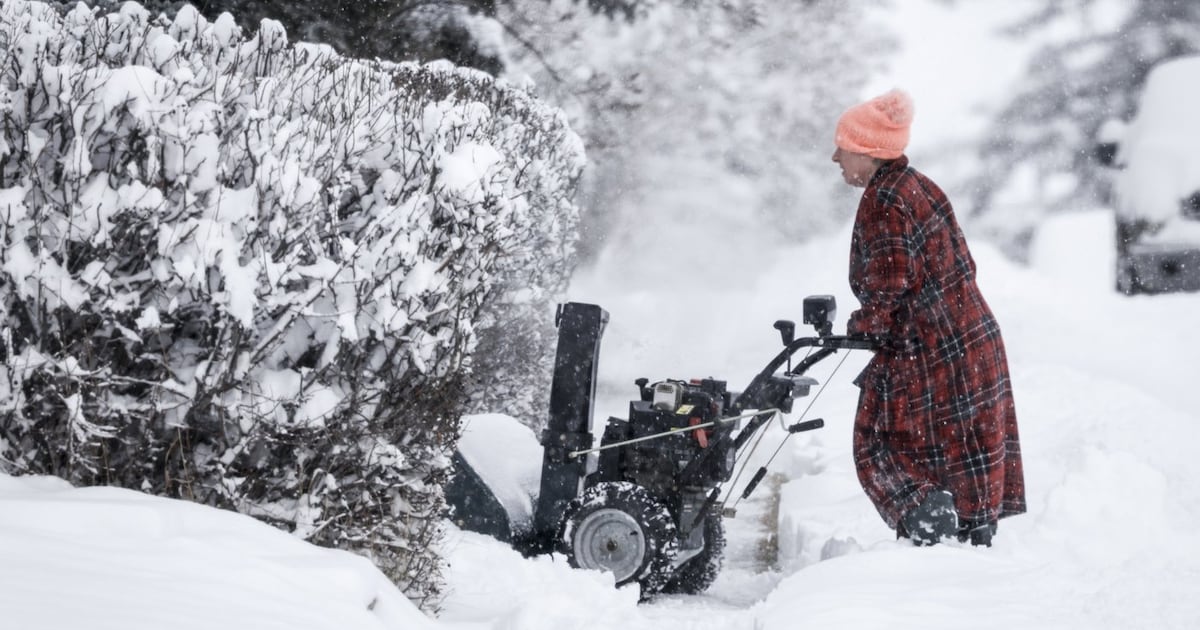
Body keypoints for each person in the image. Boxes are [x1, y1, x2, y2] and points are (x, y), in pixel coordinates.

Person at [830, 88, 1026, 546]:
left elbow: (891, 282)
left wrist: (865, 325)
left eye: (842, 148)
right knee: (960, 444)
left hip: (932, 345)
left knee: (878, 438)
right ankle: (969, 533)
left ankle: (930, 527)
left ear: (867, 151)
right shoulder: (917, 184)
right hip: (970, 337)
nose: (835, 157)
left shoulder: (884, 200)